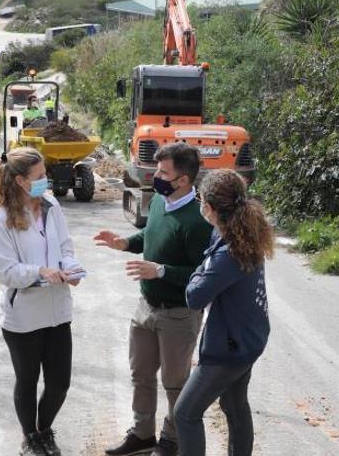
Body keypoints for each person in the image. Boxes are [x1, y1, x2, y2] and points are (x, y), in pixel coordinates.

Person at [95, 143, 212, 456]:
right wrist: (124, 243)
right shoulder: (160, 201)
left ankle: (171, 440)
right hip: (145, 307)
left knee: (175, 383)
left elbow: (200, 275)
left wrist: (160, 271)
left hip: (178, 314)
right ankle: (143, 434)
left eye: (163, 172)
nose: (156, 176)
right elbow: (149, 236)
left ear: (183, 180)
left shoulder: (198, 221)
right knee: (141, 375)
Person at [0, 147, 84, 456]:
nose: (46, 181)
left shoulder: (52, 205)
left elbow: (65, 246)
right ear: (19, 181)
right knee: (27, 381)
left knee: (59, 384)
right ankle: (30, 437)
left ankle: (44, 430)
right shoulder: (1, 219)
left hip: (56, 311)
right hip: (23, 316)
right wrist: (40, 272)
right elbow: (7, 273)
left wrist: (71, 268)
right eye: (40, 176)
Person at [173, 169, 274, 456]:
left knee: (186, 413)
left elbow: (195, 297)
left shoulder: (230, 251)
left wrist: (197, 272)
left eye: (200, 199)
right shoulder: (238, 233)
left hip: (229, 348)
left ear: (211, 208)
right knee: (234, 404)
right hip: (248, 339)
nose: (199, 204)